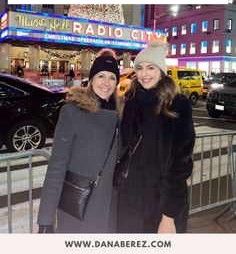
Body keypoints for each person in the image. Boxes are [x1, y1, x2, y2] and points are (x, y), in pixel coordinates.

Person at [37, 49, 121, 233]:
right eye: (101, 76)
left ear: (117, 82)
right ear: (91, 79)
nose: (106, 83)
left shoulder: (121, 115)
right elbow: (57, 167)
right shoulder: (72, 112)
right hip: (78, 208)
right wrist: (46, 219)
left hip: (110, 208)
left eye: (112, 77)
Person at [117, 40, 195, 233]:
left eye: (151, 68)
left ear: (161, 71)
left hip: (161, 202)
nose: (144, 74)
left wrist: (168, 217)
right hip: (131, 198)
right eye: (140, 68)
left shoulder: (177, 104)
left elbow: (180, 165)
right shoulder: (132, 100)